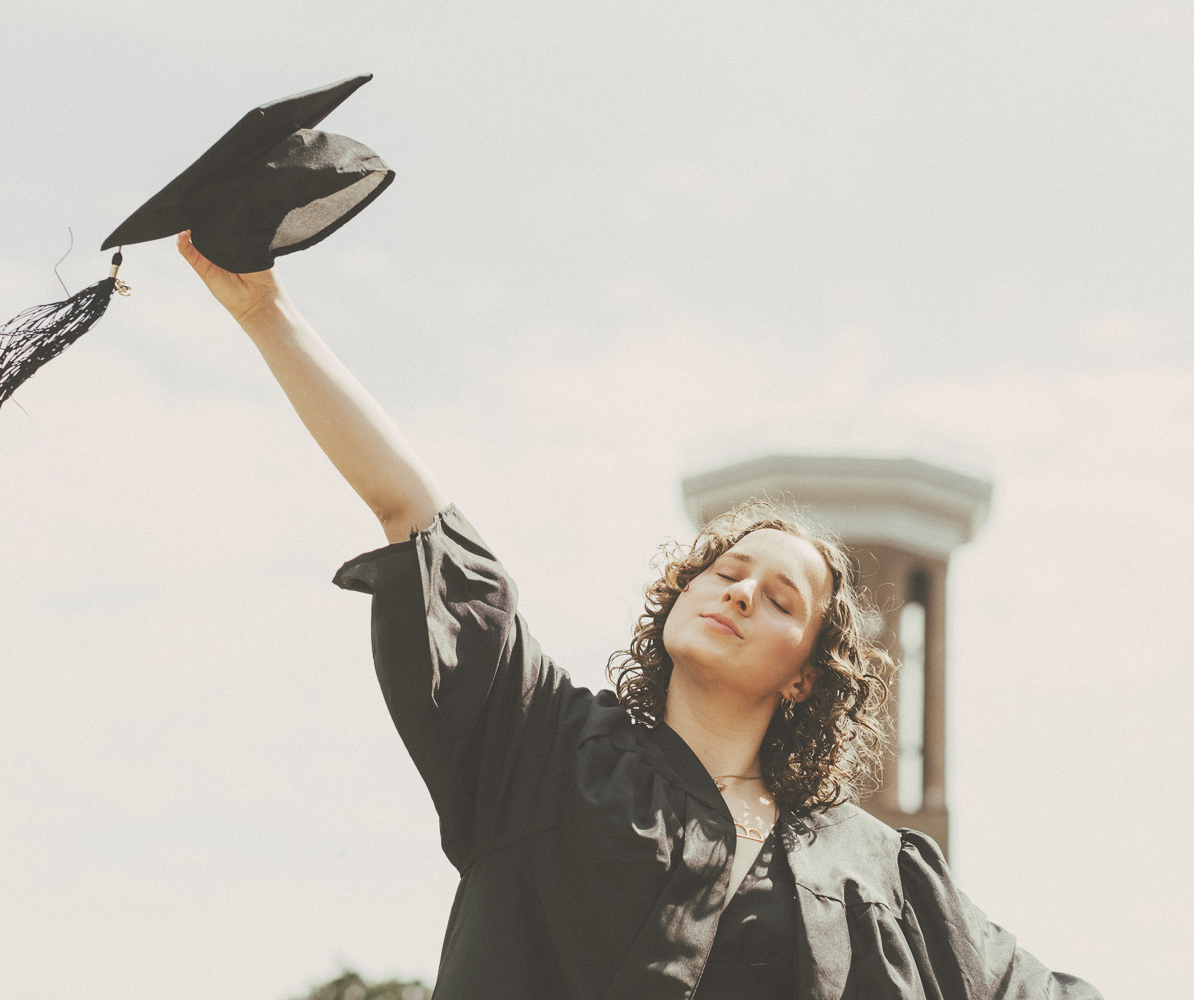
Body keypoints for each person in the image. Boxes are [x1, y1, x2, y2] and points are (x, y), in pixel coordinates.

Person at [179, 232, 1103, 999]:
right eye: (724, 571)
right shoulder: (551, 754)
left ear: (807, 675)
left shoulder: (882, 873)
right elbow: (416, 518)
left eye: (779, 598)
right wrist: (268, 313)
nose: (739, 591)